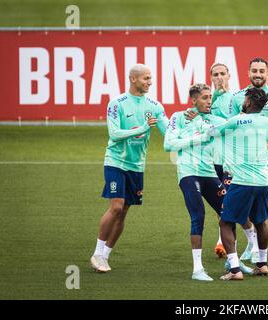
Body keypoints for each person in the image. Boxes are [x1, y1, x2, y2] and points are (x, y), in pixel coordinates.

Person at [164, 83, 252, 281]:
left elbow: (234, 128)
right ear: (193, 100)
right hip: (188, 173)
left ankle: (233, 262)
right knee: (198, 217)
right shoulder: (179, 117)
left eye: (210, 97)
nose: (208, 101)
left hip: (209, 173)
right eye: (204, 98)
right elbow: (168, 144)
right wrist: (198, 138)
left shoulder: (215, 119)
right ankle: (197, 270)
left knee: (229, 213)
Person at [90, 64, 169, 272]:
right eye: (146, 78)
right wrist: (143, 128)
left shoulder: (154, 105)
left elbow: (168, 131)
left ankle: (105, 256)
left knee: (123, 212)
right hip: (116, 162)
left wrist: (188, 123)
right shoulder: (117, 103)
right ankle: (97, 253)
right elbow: (114, 134)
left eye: (151, 78)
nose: (150, 82)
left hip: (137, 166)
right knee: (116, 206)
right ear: (133, 79)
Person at [229, 57, 268, 262]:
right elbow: (230, 129)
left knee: (261, 206)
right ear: (248, 73)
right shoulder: (237, 97)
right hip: (242, 160)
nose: (258, 74)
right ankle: (251, 243)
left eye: (261, 71)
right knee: (242, 204)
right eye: (254, 70)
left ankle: (255, 245)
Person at [208, 87, 268, 280]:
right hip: (263, 180)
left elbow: (213, 132)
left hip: (242, 181)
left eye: (245, 99)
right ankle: (262, 264)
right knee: (260, 222)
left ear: (249, 101)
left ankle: (235, 269)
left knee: (225, 223)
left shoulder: (237, 120)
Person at [208, 63, 259, 261]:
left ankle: (249, 242)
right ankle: (230, 241)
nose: (219, 77)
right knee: (220, 202)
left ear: (229, 75)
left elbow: (242, 123)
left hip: (233, 159)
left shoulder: (237, 98)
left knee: (232, 203)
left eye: (223, 73)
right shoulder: (209, 99)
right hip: (213, 159)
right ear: (211, 77)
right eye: (215, 74)